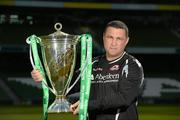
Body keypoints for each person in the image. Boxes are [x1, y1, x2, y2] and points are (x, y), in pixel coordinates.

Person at [31, 20, 144, 120]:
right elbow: (67, 85)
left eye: (119, 38)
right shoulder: (91, 65)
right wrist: (45, 77)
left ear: (126, 41)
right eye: (110, 37)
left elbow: (123, 99)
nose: (113, 43)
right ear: (104, 37)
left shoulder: (132, 65)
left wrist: (87, 104)